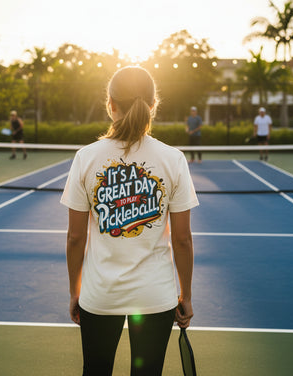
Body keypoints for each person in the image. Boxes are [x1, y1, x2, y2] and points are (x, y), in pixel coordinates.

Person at [61, 66, 198, 376]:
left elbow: (74, 238)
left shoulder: (86, 156)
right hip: (156, 296)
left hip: (99, 295)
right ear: (153, 105)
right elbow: (182, 239)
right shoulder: (173, 158)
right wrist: (185, 295)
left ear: (111, 105)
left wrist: (75, 291)